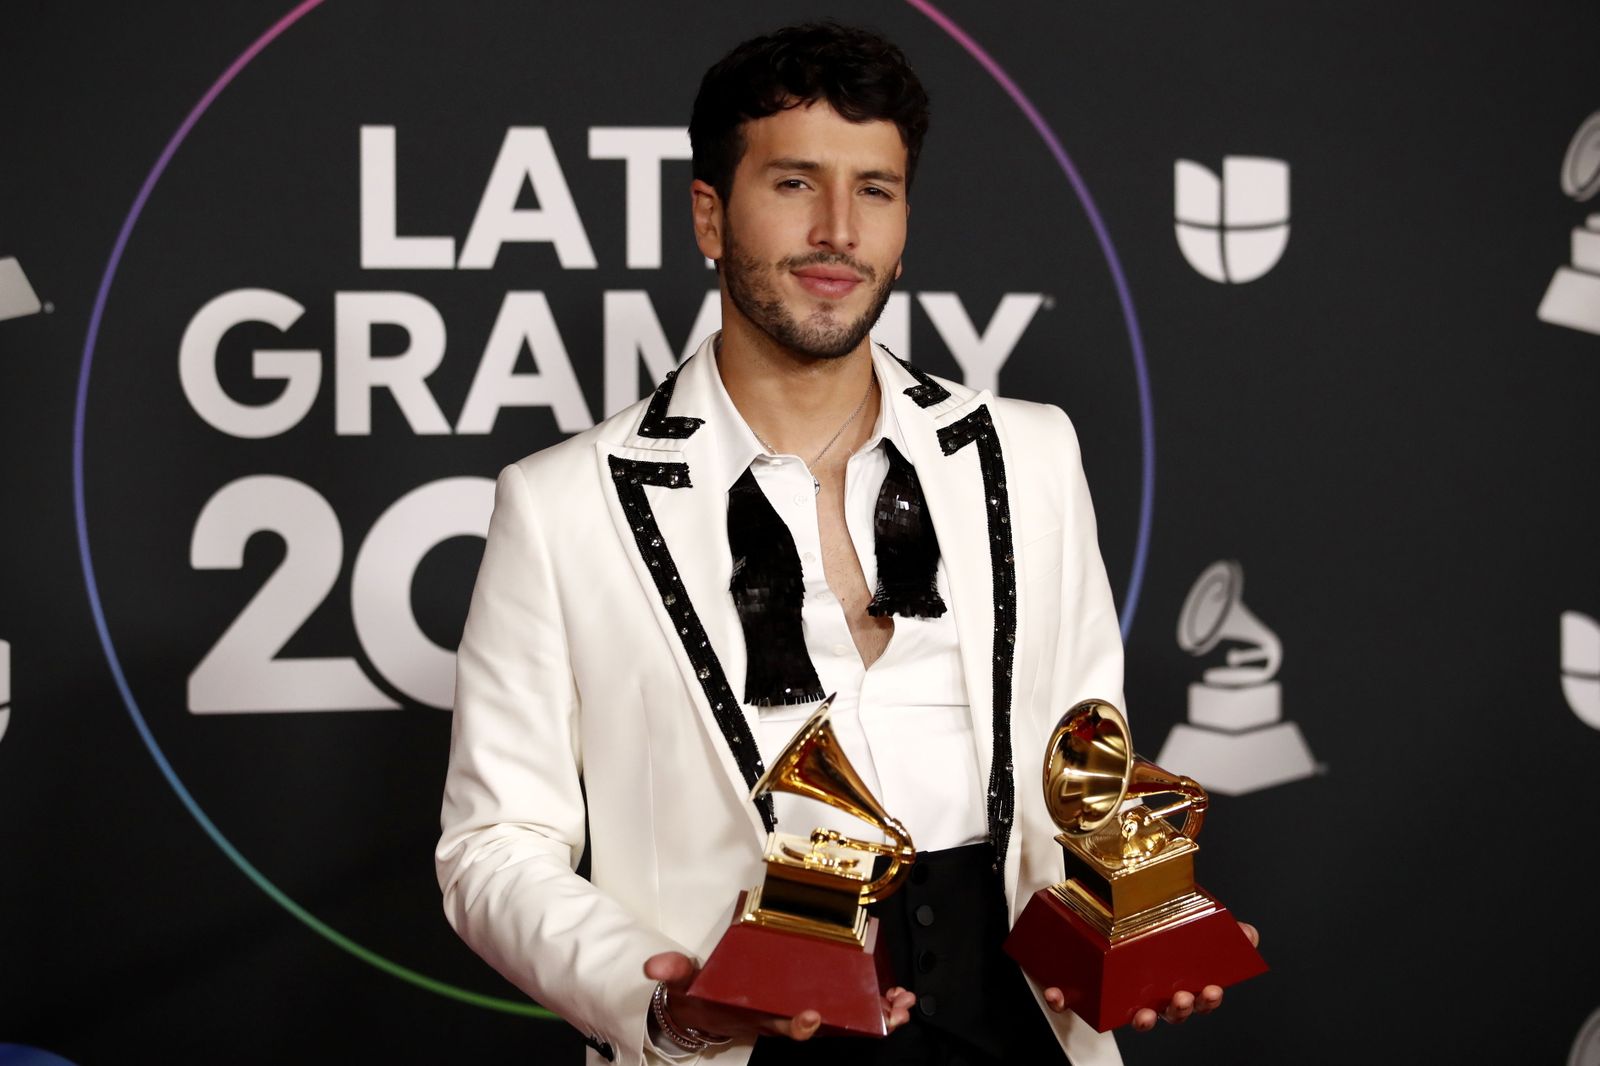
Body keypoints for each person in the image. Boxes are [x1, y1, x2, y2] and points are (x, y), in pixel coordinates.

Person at [437, 21, 1255, 1066]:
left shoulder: (1030, 456)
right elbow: (495, 846)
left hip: (1013, 1024)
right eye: (793, 183)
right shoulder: (563, 504)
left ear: (904, 222)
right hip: (736, 1031)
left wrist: (1136, 928)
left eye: (874, 189)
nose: (837, 230)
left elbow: (1082, 760)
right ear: (707, 213)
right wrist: (660, 1001)